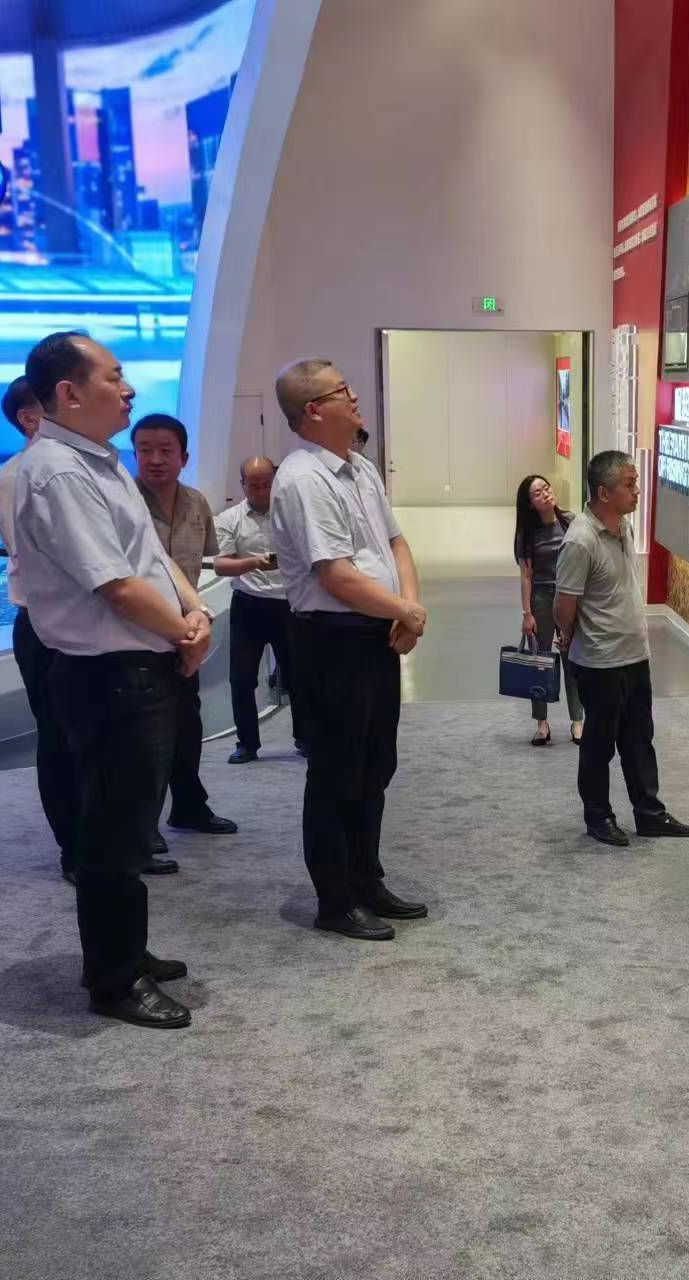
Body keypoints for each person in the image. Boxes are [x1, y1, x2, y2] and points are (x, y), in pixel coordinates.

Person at [12, 331, 208, 1029]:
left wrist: (194, 611)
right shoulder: (58, 473)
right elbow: (116, 585)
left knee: (130, 826)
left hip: (140, 664)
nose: (128, 390)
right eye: (113, 377)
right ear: (68, 393)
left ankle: (127, 949)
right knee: (112, 835)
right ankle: (113, 979)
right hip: (107, 675)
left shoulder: (99, 461)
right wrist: (183, 631)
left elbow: (150, 556)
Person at [268, 358, 429, 941]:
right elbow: (335, 576)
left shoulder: (359, 469)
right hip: (331, 641)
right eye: (343, 391)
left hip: (374, 634)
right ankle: (335, 900)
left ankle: (366, 879)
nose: (355, 396)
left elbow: (396, 543)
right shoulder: (303, 479)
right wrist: (403, 612)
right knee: (337, 771)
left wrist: (407, 608)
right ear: (314, 410)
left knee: (374, 765)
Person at [554, 451, 689, 849]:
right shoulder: (580, 540)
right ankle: (598, 817)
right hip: (600, 662)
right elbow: (564, 605)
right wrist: (568, 637)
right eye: (630, 484)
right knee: (599, 746)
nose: (637, 491)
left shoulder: (624, 527)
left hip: (635, 656)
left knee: (638, 740)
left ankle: (649, 814)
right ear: (604, 492)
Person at [132, 413, 238, 855]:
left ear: (184, 457)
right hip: (139, 634)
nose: (155, 459)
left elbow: (205, 562)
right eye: (144, 451)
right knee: (143, 737)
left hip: (189, 635)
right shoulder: (124, 504)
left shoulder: (196, 503)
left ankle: (189, 806)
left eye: (165, 451)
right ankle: (142, 825)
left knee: (186, 725)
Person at [0, 376, 77, 882]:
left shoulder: (82, 466)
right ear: (29, 418)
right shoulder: (15, 479)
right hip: (46, 625)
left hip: (91, 624)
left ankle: (117, 841)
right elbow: (39, 562)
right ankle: (75, 849)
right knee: (61, 740)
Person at [214, 455, 307, 762]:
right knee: (241, 678)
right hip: (248, 605)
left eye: (267, 484)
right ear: (242, 485)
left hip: (288, 604)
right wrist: (253, 563)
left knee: (299, 676)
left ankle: (306, 737)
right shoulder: (229, 518)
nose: (261, 491)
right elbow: (221, 565)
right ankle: (247, 743)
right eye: (254, 485)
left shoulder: (292, 515)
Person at [513, 473, 583, 746]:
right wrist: (526, 613)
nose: (545, 493)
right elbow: (526, 576)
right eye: (538, 493)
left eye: (546, 487)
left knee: (571, 660)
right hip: (541, 600)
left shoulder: (570, 522)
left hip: (568, 597)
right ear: (530, 504)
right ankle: (542, 723)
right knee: (540, 662)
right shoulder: (527, 533)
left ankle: (577, 721)